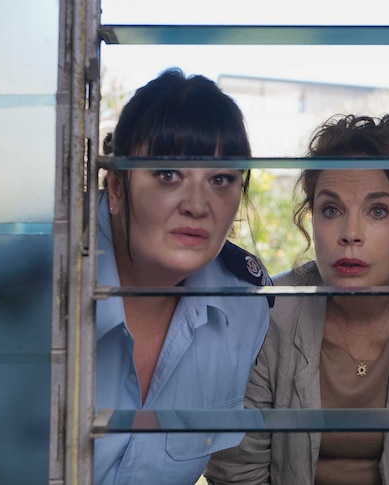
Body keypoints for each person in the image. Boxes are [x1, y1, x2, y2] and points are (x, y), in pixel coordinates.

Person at [206, 114, 389, 484]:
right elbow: (237, 471)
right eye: (331, 209)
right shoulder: (268, 312)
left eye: (377, 211)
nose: (350, 233)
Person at [95, 68, 272, 485]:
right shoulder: (38, 285)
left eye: (220, 180)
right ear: (117, 187)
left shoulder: (244, 306)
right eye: (168, 174)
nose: (197, 205)